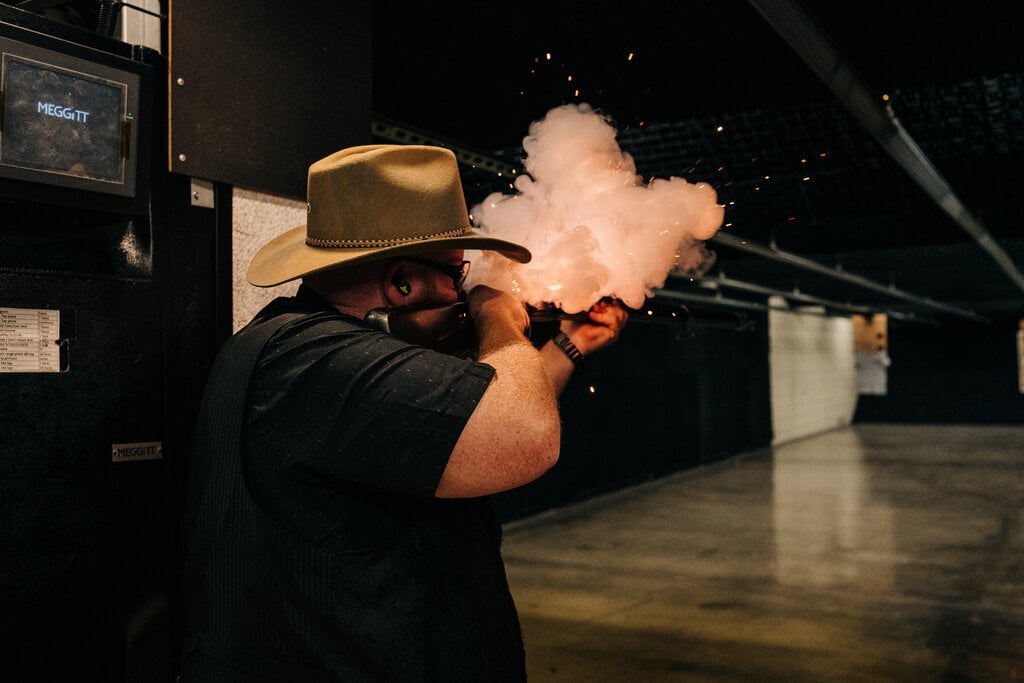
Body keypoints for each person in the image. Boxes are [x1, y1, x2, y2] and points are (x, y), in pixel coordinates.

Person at [180, 144, 627, 681]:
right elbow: (525, 436)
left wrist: (572, 344)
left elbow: (480, 429)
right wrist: (499, 318)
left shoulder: (301, 347)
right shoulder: (321, 362)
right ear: (402, 283)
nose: (460, 291)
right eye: (455, 275)